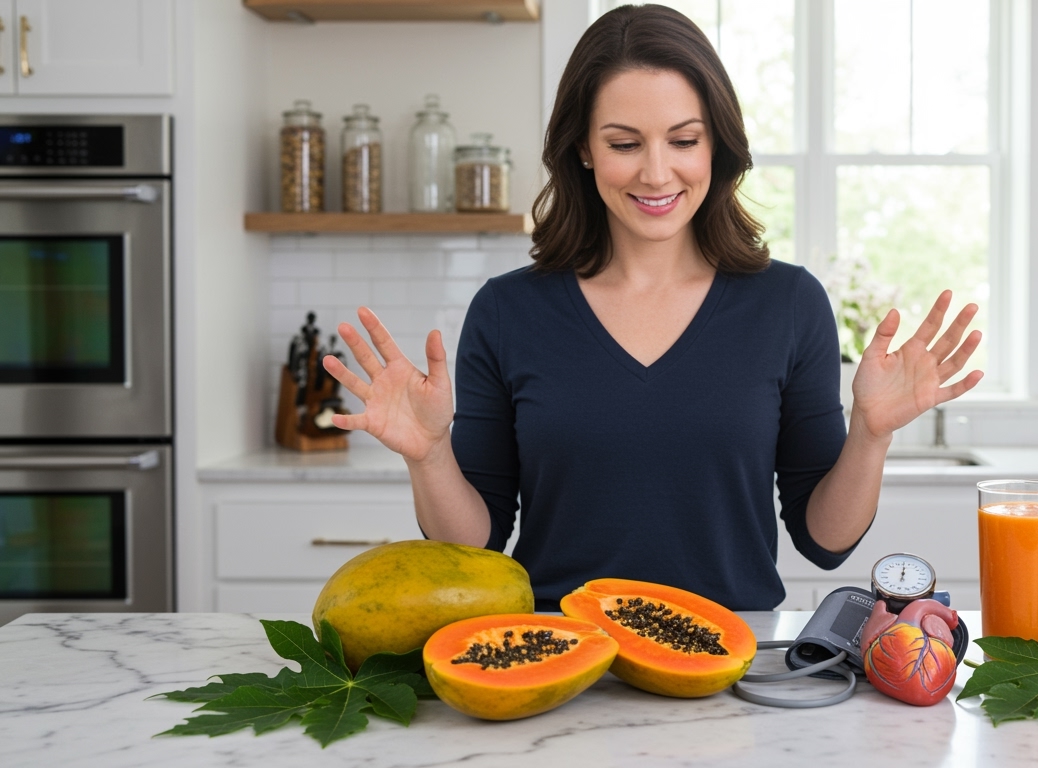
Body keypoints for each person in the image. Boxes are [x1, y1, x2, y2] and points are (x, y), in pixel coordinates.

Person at [323, 4, 983, 612]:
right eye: (624, 143)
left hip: (730, 669)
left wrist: (871, 434)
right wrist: (429, 454)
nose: (658, 173)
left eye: (683, 139)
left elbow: (824, 541)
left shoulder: (788, 304)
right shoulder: (507, 312)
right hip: (561, 665)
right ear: (582, 148)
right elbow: (478, 545)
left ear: (716, 145)